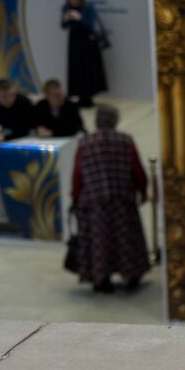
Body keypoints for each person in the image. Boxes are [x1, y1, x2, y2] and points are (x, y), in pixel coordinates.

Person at [72, 105, 149, 293]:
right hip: (122, 197)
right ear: (116, 120)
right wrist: (143, 190)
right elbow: (137, 170)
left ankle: (101, 279)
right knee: (126, 238)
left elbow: (78, 174)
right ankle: (132, 275)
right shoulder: (126, 140)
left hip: (94, 199)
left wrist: (74, 198)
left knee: (100, 240)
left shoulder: (85, 142)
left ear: (96, 120)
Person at [62, 0, 108, 108]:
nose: (73, 2)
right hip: (74, 40)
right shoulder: (66, 8)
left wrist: (80, 18)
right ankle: (79, 95)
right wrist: (66, 19)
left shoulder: (88, 7)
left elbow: (90, 24)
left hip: (87, 41)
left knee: (88, 68)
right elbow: (64, 26)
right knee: (76, 68)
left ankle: (88, 96)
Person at [0, 79, 35, 145]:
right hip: (2, 132)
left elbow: (26, 129)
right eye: (4, 97)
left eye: (12, 95)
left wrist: (4, 137)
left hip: (23, 137)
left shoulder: (24, 103)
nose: (9, 100)